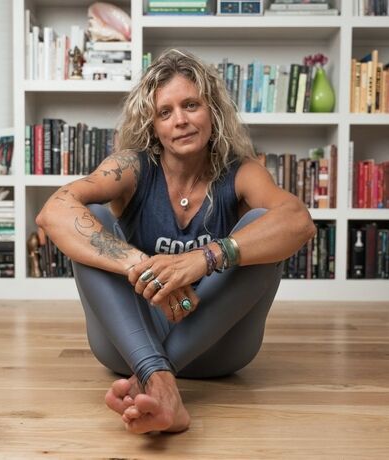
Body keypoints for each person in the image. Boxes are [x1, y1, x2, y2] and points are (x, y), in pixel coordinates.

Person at [36, 49, 316, 434]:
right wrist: (142, 267)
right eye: (164, 112)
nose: (180, 120)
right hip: (129, 342)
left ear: (213, 111)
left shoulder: (242, 172)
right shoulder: (131, 166)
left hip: (218, 348)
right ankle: (160, 382)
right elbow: (53, 211)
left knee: (263, 226)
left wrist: (206, 257)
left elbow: (299, 221)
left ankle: (152, 378)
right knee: (90, 221)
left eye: (191, 105)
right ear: (152, 126)